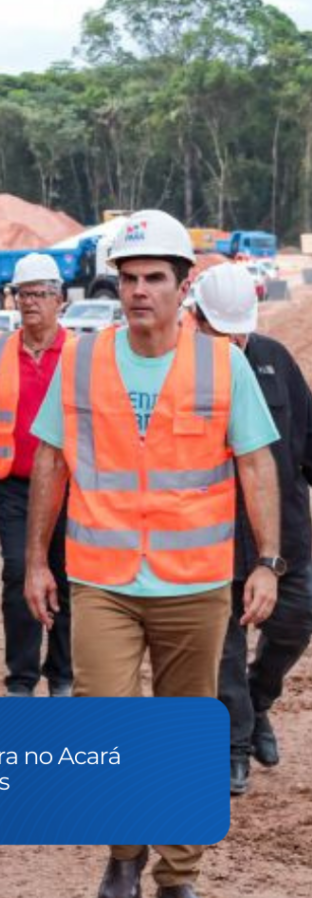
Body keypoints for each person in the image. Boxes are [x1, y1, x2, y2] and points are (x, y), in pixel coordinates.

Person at [24, 210, 282, 898]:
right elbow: (48, 459)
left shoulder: (221, 363)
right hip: (102, 578)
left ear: (182, 285)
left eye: (153, 279)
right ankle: (122, 852)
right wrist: (32, 562)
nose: (138, 292)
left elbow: (256, 461)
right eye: (128, 279)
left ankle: (176, 875)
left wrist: (265, 561)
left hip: (194, 583)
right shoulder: (81, 359)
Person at [190, 263, 312, 795]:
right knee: (224, 651)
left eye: (239, 330)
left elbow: (306, 439)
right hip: (215, 539)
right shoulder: (184, 373)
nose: (234, 340)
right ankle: (233, 746)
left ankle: (260, 701)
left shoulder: (273, 360)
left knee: (294, 623)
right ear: (197, 320)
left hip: (285, 537)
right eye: (222, 330)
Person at [0, 253, 72, 697]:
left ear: (60, 300)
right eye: (22, 294)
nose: (30, 303)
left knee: (65, 575)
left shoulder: (82, 354)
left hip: (71, 488)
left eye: (40, 294)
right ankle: (22, 680)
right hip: (14, 485)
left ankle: (63, 676)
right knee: (18, 573)